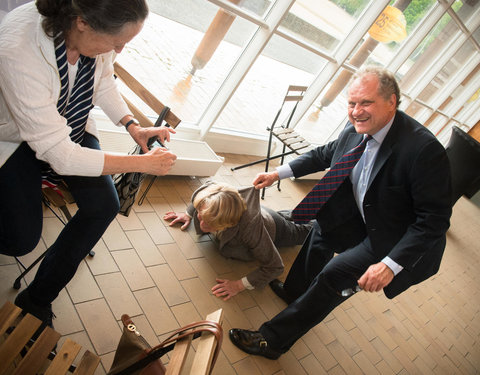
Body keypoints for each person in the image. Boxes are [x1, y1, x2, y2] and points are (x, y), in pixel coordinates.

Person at [228, 66, 452, 359]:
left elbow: (433, 221)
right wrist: (278, 173)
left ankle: (272, 341)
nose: (356, 111)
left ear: (392, 102)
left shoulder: (424, 151)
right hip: (363, 209)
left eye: (366, 103)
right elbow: (324, 154)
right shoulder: (355, 127)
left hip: (392, 235)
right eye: (351, 103)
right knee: (323, 228)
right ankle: (296, 291)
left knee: (333, 276)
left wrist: (390, 264)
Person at [0, 0, 177, 328]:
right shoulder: (17, 46)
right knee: (19, 240)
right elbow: (61, 155)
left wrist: (132, 125)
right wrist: (142, 164)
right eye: (116, 43)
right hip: (19, 138)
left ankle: (36, 299)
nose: (120, 50)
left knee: (103, 206)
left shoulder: (94, 37)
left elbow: (105, 81)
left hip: (70, 122)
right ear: (82, 22)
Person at [163, 181, 311, 300]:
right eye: (201, 215)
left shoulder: (251, 231)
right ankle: (293, 215)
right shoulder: (212, 192)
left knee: (306, 231)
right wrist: (188, 214)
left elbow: (275, 267)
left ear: (231, 224)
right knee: (293, 217)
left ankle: (324, 220)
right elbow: (200, 201)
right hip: (261, 213)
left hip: (276, 229)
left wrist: (239, 285)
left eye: (209, 224)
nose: (201, 224)